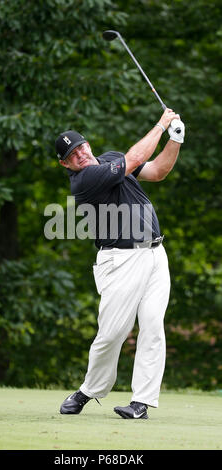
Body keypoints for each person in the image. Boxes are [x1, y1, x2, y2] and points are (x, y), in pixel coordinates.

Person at [55, 108, 185, 419]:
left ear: (88, 144)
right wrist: (161, 124)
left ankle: (142, 402)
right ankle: (89, 389)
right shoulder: (84, 180)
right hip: (120, 260)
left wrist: (175, 139)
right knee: (112, 333)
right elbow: (136, 159)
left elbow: (157, 171)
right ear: (65, 164)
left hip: (155, 254)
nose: (80, 154)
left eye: (81, 146)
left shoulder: (110, 157)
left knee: (153, 327)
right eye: (72, 154)